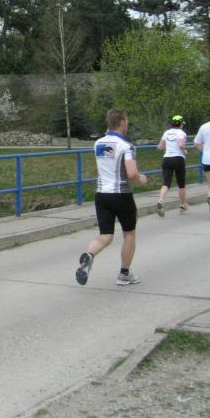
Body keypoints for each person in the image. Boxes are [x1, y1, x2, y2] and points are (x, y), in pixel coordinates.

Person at [76, 109, 148, 287]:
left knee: (105, 236)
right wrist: (141, 178)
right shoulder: (127, 146)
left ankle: (89, 255)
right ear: (122, 123)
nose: (127, 125)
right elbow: (131, 173)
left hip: (102, 195)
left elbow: (108, 137)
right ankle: (124, 274)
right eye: (127, 122)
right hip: (121, 195)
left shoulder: (98, 144)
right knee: (129, 234)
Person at [155, 115, 189, 217]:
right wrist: (185, 151)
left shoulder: (166, 132)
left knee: (166, 183)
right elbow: (181, 145)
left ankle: (161, 201)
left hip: (167, 159)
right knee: (181, 184)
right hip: (178, 158)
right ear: (181, 124)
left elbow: (160, 147)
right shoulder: (181, 133)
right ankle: (182, 205)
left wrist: (168, 146)